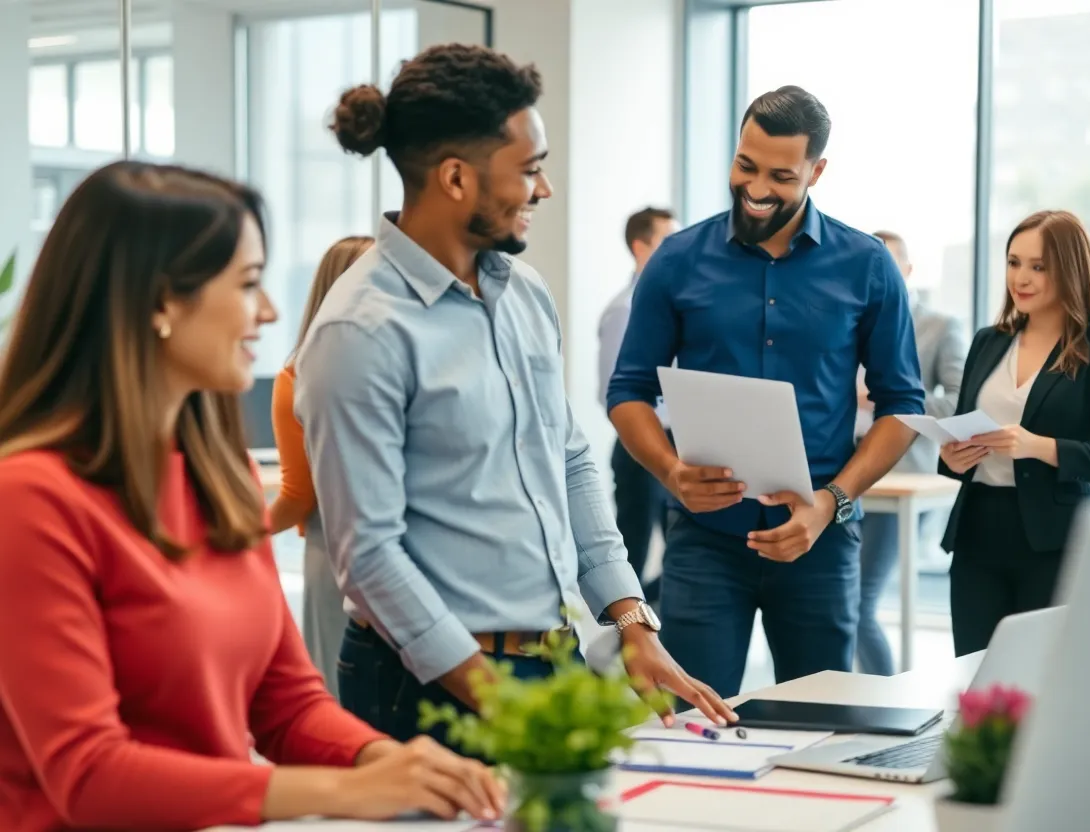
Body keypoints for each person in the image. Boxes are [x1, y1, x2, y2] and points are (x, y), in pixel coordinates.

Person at [0, 162, 503, 832]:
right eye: (246, 284)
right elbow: (89, 776)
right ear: (159, 302)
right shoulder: (30, 500)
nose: (268, 311)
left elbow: (285, 702)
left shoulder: (219, 470)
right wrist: (345, 795)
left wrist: (388, 760)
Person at [294, 44, 735, 750]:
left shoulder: (523, 293)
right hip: (425, 681)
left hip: (549, 658)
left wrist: (631, 623)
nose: (544, 190)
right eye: (529, 170)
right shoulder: (360, 331)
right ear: (456, 178)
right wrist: (497, 699)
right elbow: (369, 556)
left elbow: (570, 461)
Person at [607, 85, 925, 699]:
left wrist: (831, 501)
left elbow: (902, 405)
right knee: (694, 724)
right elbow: (627, 391)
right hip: (703, 541)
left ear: (817, 171)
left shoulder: (868, 266)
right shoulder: (675, 261)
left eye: (780, 176)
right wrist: (672, 473)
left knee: (819, 726)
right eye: (745, 165)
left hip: (819, 540)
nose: (755, 188)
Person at [939, 210, 1090, 656]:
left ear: (1069, 270)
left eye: (1038, 266)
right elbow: (960, 428)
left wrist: (1040, 447)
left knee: (1044, 678)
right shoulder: (988, 341)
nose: (1022, 277)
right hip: (978, 535)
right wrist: (952, 459)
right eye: (1014, 263)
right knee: (975, 677)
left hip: (1056, 541)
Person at [854, 230, 966, 675]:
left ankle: (883, 699)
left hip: (904, 476)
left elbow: (961, 400)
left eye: (887, 265)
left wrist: (888, 400)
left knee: (858, 600)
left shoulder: (939, 325)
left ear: (908, 270)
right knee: (839, 602)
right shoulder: (847, 319)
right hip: (839, 472)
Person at [270, 235, 374, 694]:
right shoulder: (302, 378)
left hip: (336, 554)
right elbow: (298, 497)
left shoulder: (296, 377)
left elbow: (295, 499)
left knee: (341, 694)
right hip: (348, 553)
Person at [598, 207, 680, 604]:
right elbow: (613, 393)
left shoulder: (673, 304)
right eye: (667, 240)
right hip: (640, 444)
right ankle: (617, 646)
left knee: (683, 554)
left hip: (677, 444)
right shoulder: (625, 309)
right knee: (633, 551)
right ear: (640, 247)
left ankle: (636, 635)